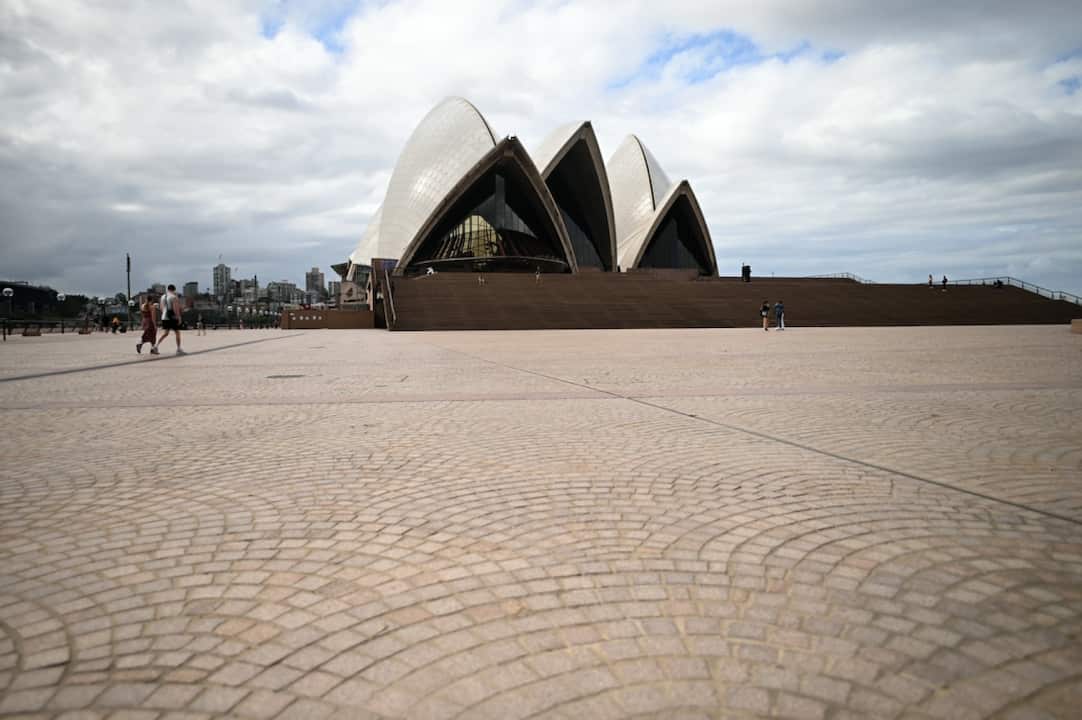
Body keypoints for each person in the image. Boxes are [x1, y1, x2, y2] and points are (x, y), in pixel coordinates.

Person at [155, 284, 185, 355]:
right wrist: (179, 317)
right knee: (177, 332)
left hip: (164, 317)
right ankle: (178, 349)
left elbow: (161, 308)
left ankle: (156, 346)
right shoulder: (174, 297)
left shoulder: (163, 297)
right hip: (172, 317)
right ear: (174, 290)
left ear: (168, 289)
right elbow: (175, 309)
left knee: (165, 333)